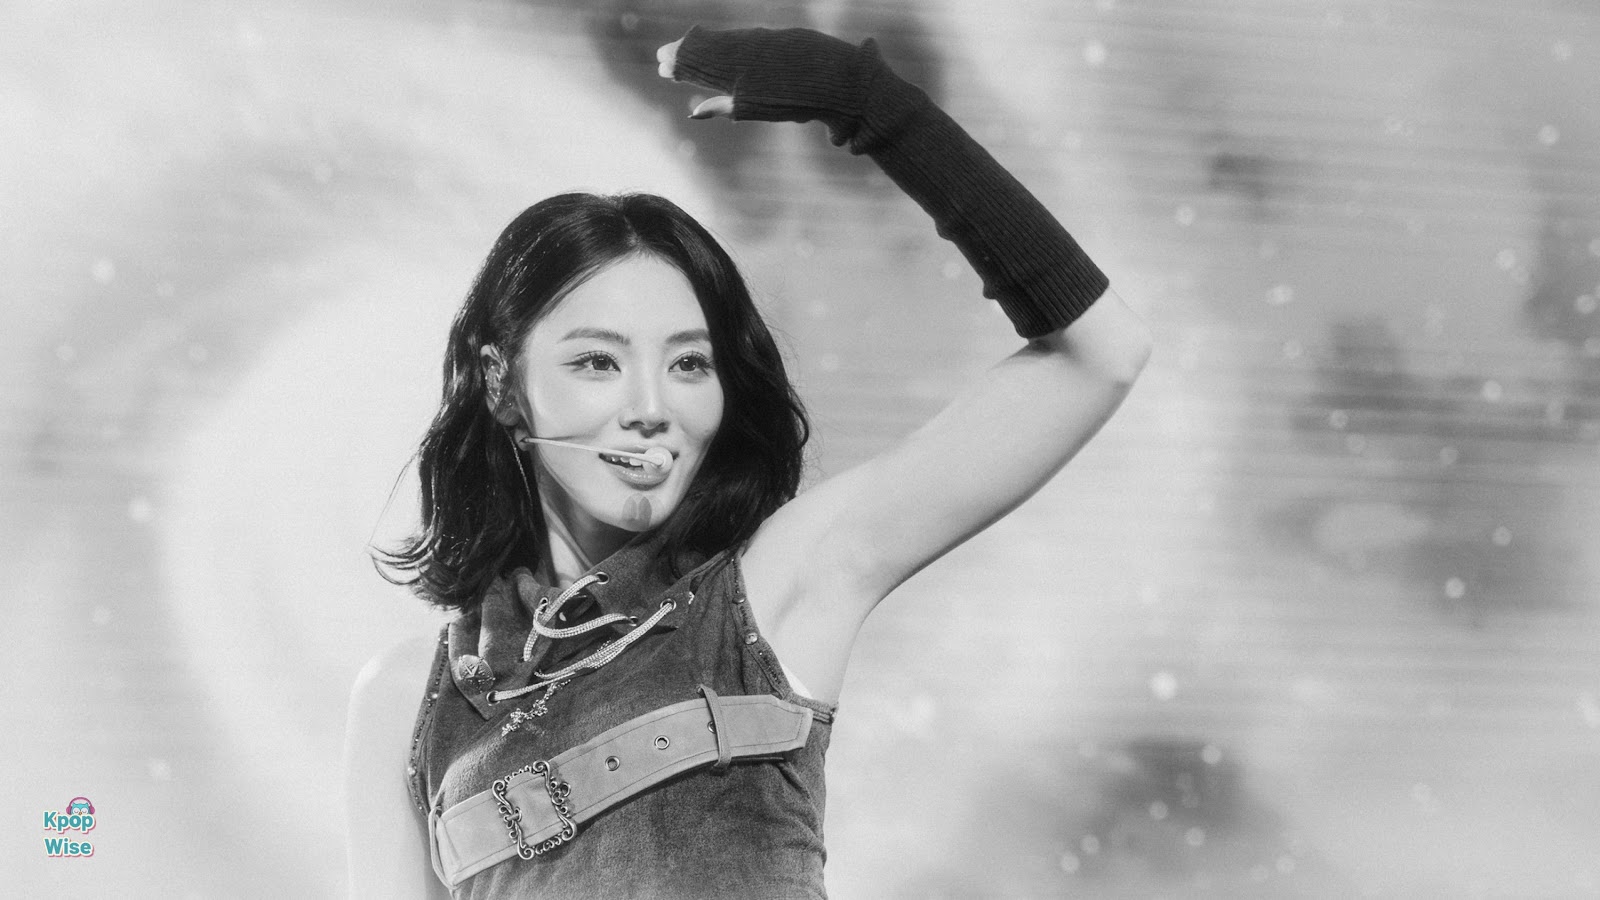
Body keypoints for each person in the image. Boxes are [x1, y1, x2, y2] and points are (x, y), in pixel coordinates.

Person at [345, 24, 1153, 900]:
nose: (652, 406)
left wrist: (870, 106)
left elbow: (1097, 358)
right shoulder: (409, 701)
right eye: (598, 361)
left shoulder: (774, 592)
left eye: (690, 363)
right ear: (501, 384)